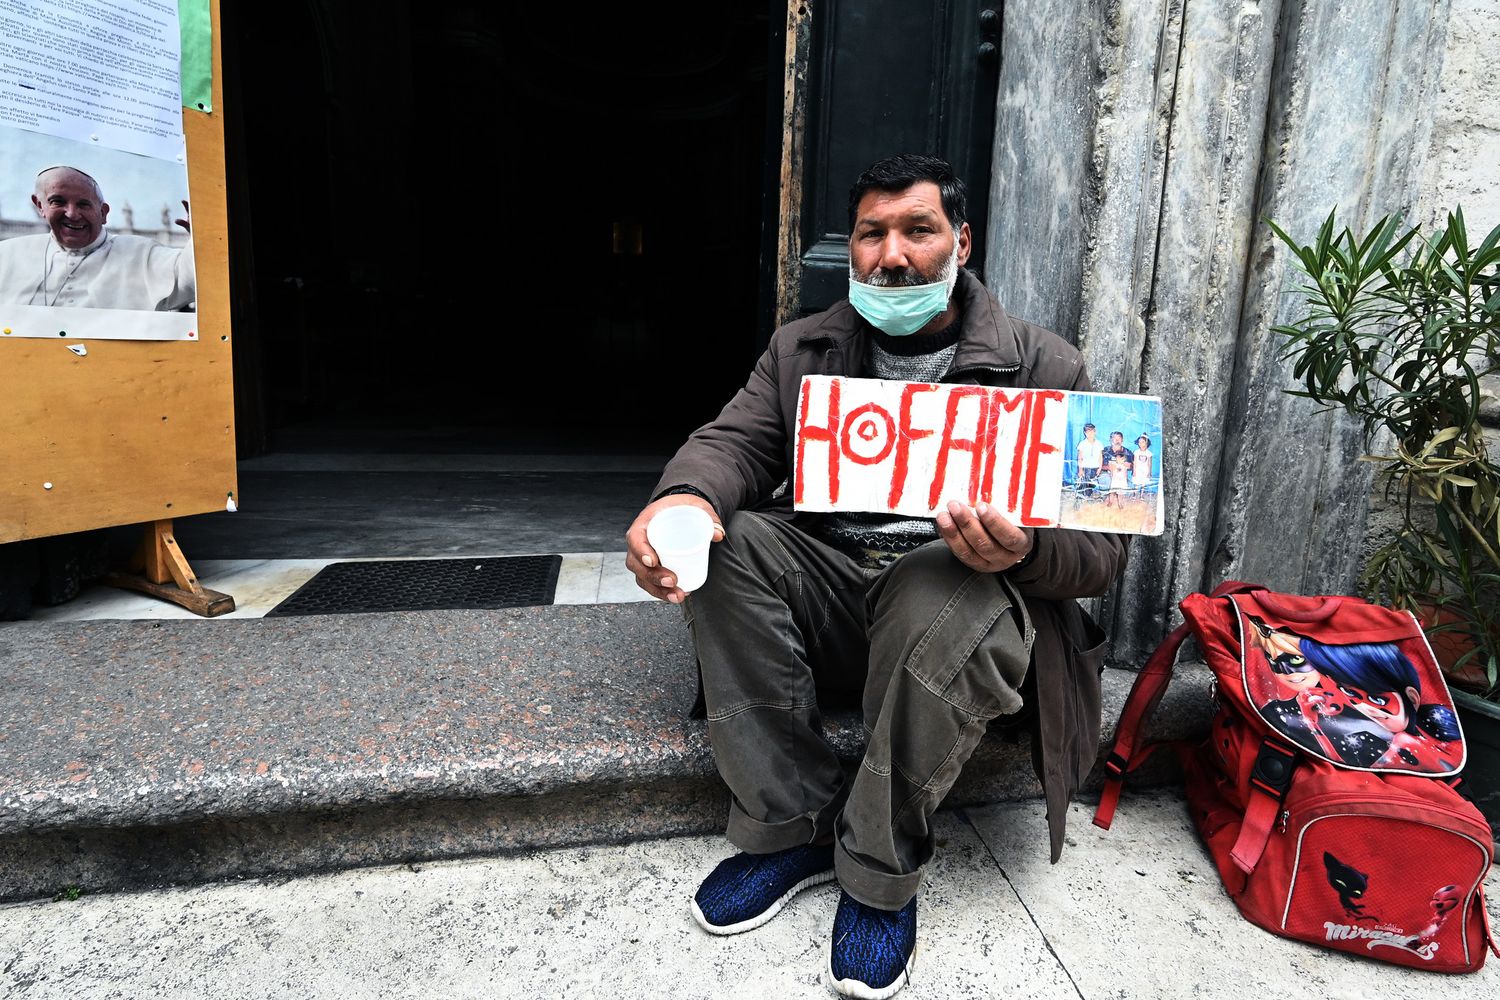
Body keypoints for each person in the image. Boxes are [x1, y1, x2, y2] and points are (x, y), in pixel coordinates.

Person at [624, 154, 1128, 997]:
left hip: (955, 612)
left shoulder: (1047, 367)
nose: (891, 254)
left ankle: (876, 867)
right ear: (850, 249)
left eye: (918, 230)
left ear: (961, 241)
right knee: (731, 541)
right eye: (871, 233)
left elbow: (1102, 554)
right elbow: (734, 443)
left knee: (945, 575)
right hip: (834, 594)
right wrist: (679, 502)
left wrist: (1027, 552)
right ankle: (792, 826)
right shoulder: (802, 348)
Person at [0, 166, 195, 311]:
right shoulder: (7, 253)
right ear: (40, 206)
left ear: (103, 213)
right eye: (57, 201)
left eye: (84, 205)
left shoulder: (142, 253)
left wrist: (202, 236)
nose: (72, 214)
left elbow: (189, 277)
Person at [1076, 423, 1103, 490]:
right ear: (1085, 433)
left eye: (1092, 431)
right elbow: (1080, 457)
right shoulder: (1082, 443)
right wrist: (1080, 469)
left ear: (1095, 432)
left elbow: (1100, 457)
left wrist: (1100, 468)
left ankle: (1087, 496)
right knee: (1083, 483)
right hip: (1085, 467)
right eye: (1088, 432)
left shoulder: (1099, 444)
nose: (1090, 434)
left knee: (1092, 483)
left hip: (1095, 467)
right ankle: (1082, 496)